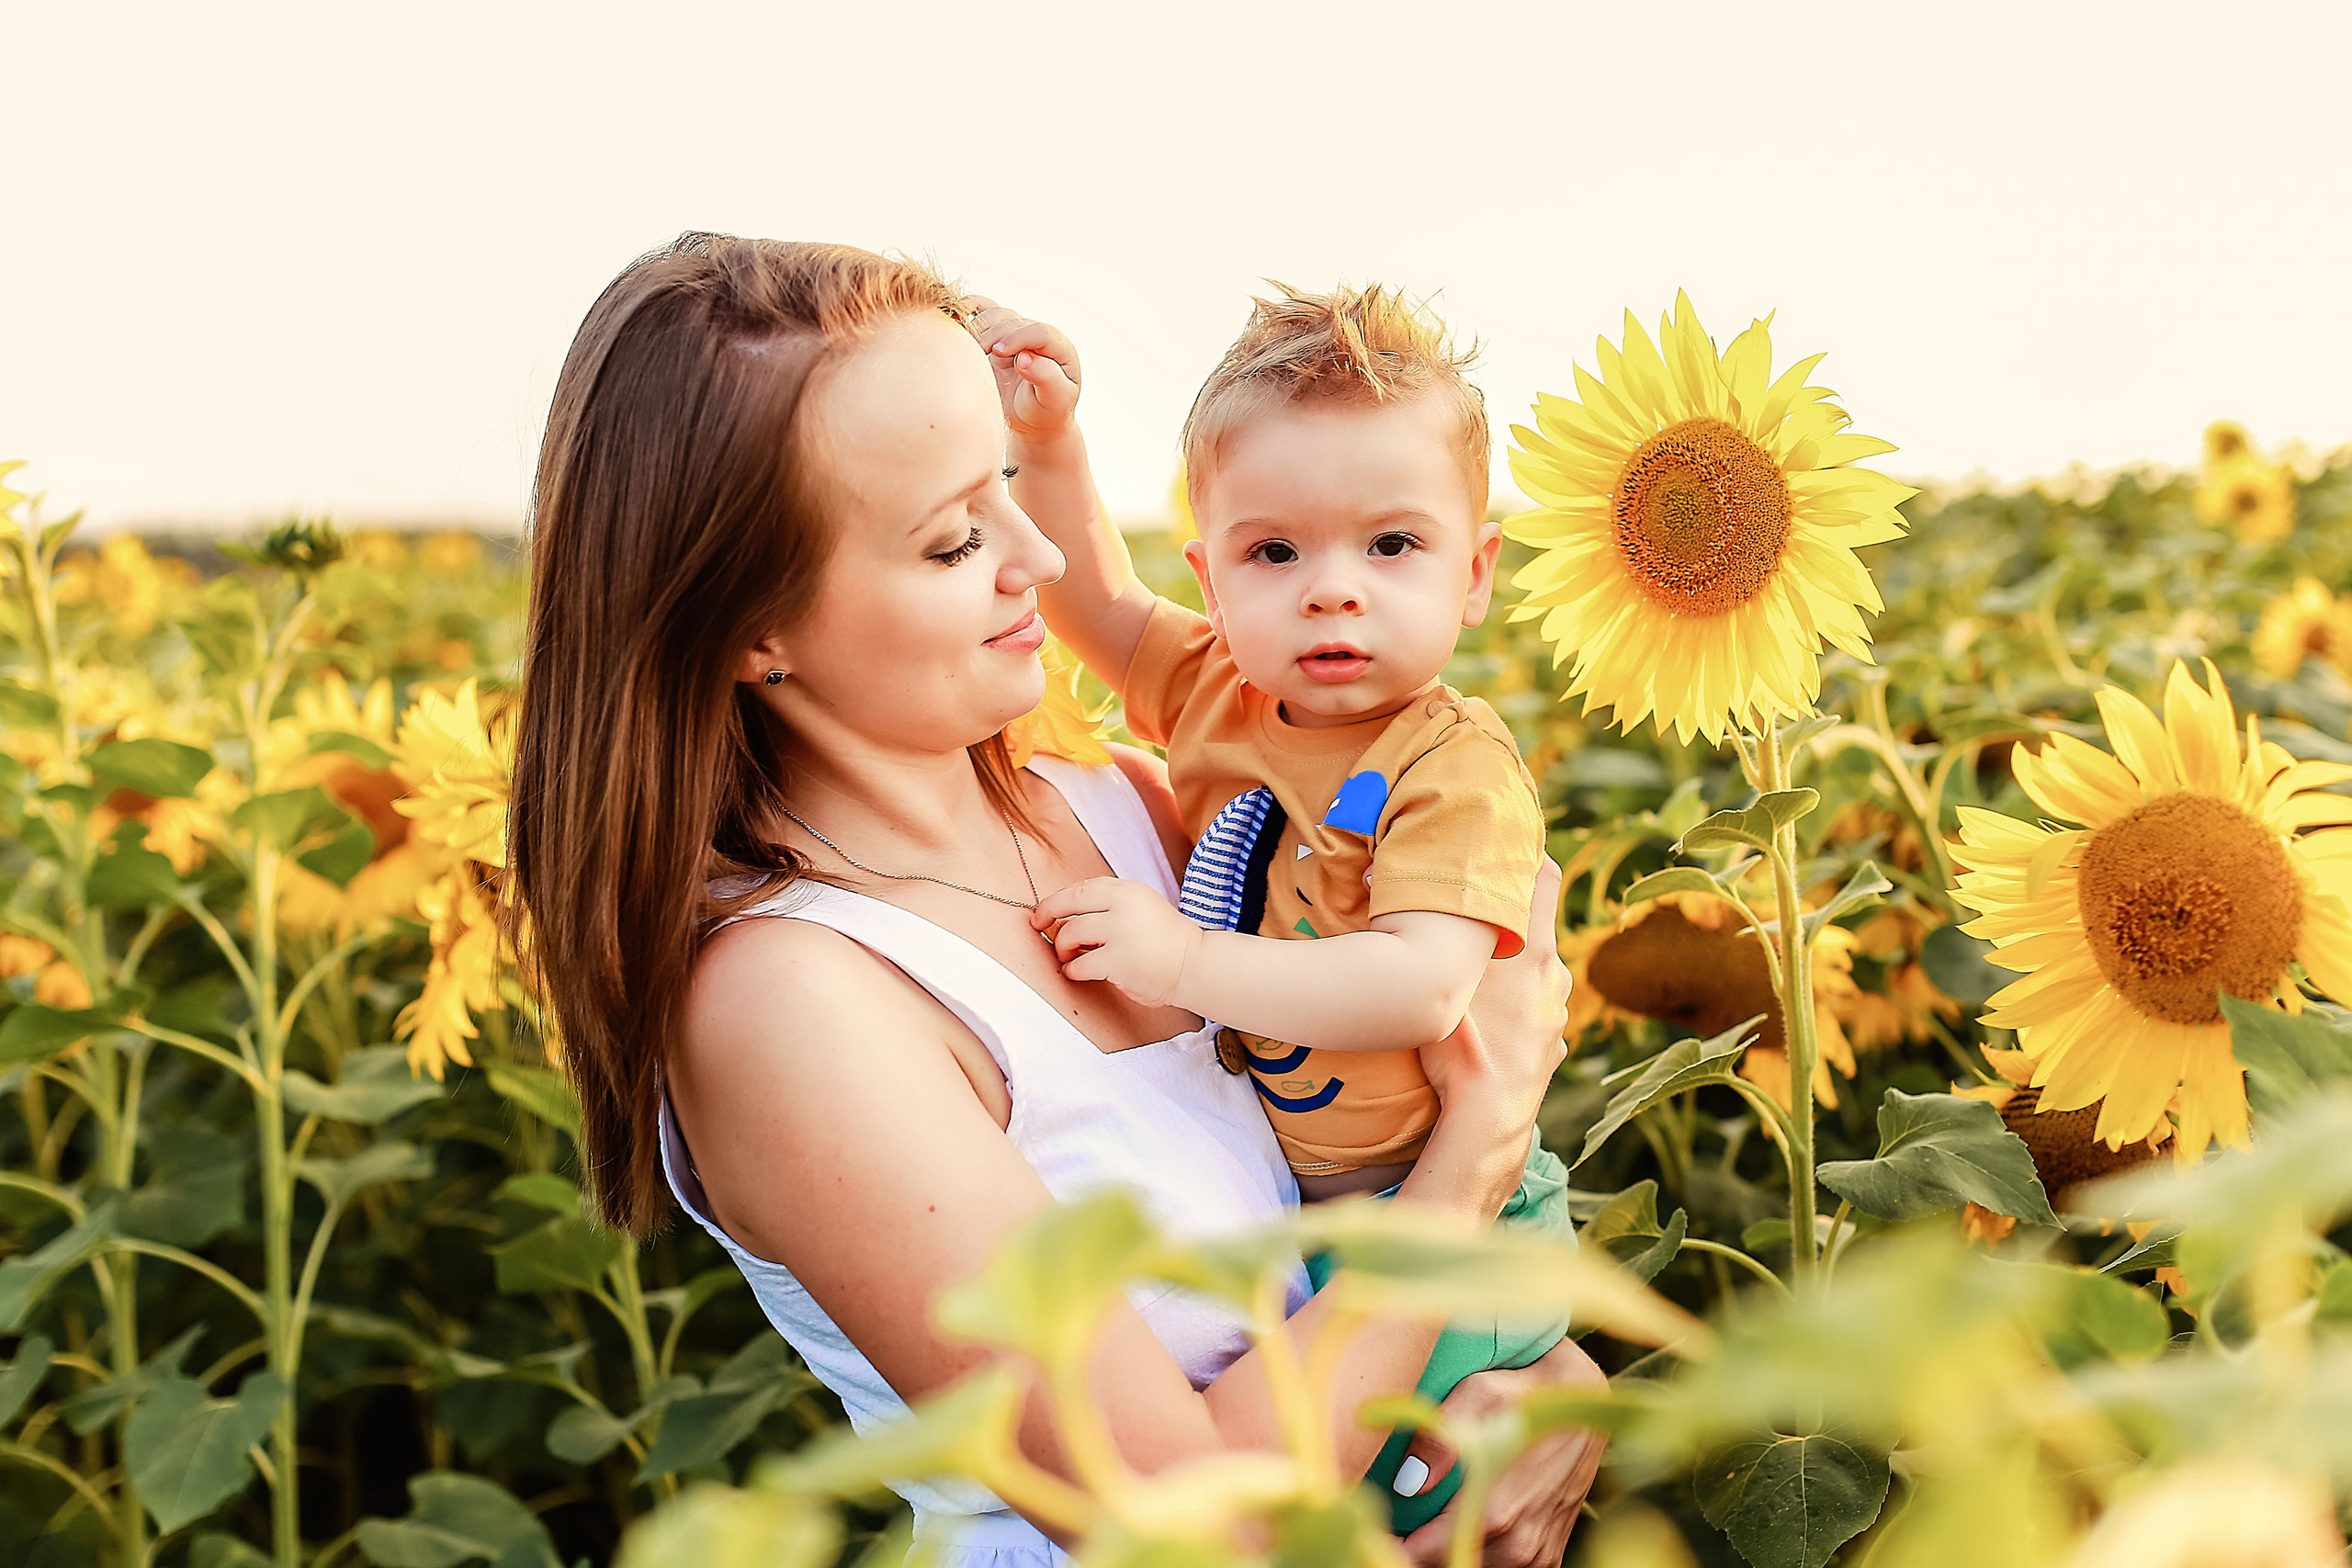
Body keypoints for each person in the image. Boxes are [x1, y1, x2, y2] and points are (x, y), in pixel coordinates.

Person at [508, 233, 1604, 1568]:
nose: (1034, 555)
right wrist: (1478, 1155)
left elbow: (1359, 1213)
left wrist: (1555, 1393)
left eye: (1012, 488)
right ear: (753, 626)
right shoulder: (794, 1002)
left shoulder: (1135, 813)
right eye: (958, 535)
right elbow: (1187, 1519)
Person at [973, 284, 1569, 1530]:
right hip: (1314, 1221)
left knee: (1414, 1512)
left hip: (1447, 1219)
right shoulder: (1219, 693)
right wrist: (1050, 447)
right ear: (1214, 572)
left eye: (1391, 546)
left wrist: (1183, 960)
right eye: (1275, 552)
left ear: (1476, 572)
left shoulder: (1448, 763)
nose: (1332, 591)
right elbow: (1095, 607)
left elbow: (1422, 984)